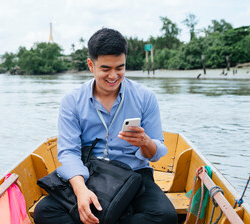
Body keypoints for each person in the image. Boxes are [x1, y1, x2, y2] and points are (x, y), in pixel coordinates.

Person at [34, 28, 178, 224]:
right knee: (45, 211)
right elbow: (69, 153)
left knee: (166, 216)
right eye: (105, 69)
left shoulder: (145, 97)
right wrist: (81, 190)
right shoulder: (72, 101)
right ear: (91, 65)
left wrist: (145, 142)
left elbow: (155, 153)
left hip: (135, 175)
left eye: (120, 67)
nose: (113, 76)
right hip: (91, 173)